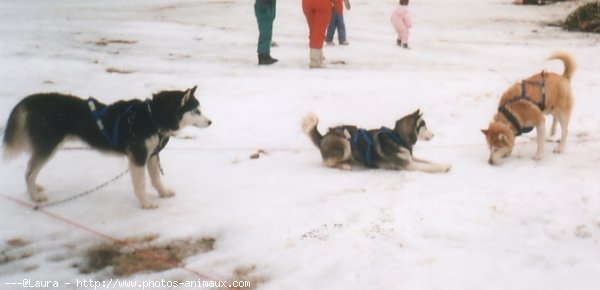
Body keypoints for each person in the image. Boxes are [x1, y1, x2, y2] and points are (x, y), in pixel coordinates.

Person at [303, 0, 343, 68]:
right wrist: (339, 9)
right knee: (319, 31)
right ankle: (315, 59)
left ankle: (318, 55)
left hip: (307, 3)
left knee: (313, 29)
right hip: (323, 4)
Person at [254, 0, 278, 65]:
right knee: (265, 33)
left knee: (267, 32)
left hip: (267, 6)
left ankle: (265, 54)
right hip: (265, 7)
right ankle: (263, 55)